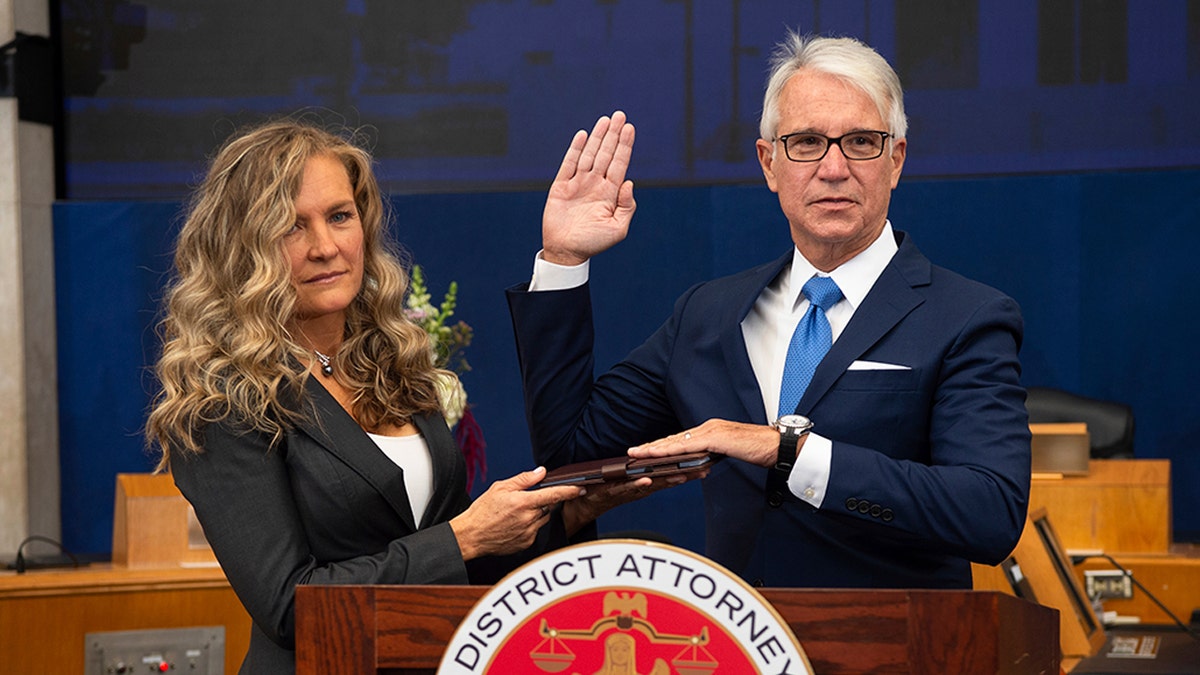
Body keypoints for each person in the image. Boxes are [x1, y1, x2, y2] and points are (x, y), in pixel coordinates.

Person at [145, 119, 682, 674]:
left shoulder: (394, 362)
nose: (325, 247)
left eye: (339, 216)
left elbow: (445, 566)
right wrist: (464, 536)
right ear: (241, 247)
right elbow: (291, 605)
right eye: (290, 227)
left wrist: (568, 513)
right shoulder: (222, 402)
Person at [507, 33, 1031, 589]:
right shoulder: (707, 314)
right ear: (769, 164)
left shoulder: (966, 317)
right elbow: (569, 455)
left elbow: (989, 514)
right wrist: (563, 259)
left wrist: (788, 452)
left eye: (860, 142)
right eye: (806, 142)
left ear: (896, 160)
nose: (833, 168)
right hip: (739, 649)